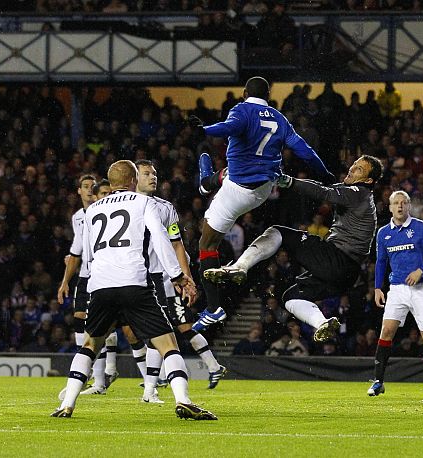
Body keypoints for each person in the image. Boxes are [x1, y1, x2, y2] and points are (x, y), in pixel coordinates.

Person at [51, 160, 216, 420]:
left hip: (101, 285)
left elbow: (90, 254)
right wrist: (177, 275)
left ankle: (66, 405)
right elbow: (162, 239)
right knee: (168, 344)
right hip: (134, 282)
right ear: (132, 180)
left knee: (90, 344)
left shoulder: (91, 211)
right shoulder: (143, 203)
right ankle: (183, 400)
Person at [189, 76, 335, 331]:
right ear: (268, 94)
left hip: (239, 190)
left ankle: (213, 308)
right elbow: (304, 150)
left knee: (206, 243)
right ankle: (208, 182)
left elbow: (226, 129)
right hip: (266, 188)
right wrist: (326, 175)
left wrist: (203, 129)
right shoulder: (279, 118)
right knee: (229, 171)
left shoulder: (242, 110)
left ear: (245, 92)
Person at [202, 155, 382, 344]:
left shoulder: (358, 193)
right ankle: (323, 323)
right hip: (347, 276)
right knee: (290, 297)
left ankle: (241, 266)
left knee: (277, 231)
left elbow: (324, 193)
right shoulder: (358, 195)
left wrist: (287, 181)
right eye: (354, 165)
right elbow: (323, 188)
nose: (352, 169)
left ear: (369, 180)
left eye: (359, 169)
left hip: (337, 260)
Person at [134, 160, 226, 395]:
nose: (153, 177)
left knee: (169, 328)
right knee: (169, 328)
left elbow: (177, 246)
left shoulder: (166, 208)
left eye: (154, 173)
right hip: (133, 277)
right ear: (134, 178)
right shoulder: (125, 205)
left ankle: (153, 385)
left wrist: (185, 278)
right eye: (146, 173)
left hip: (162, 278)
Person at [367, 190, 423, 396]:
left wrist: (421, 270)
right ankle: (378, 381)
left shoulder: (421, 228)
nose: (399, 206)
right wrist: (378, 287)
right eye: (396, 203)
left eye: (403, 203)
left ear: (409, 206)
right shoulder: (383, 233)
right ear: (390, 207)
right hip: (396, 288)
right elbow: (381, 262)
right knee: (386, 331)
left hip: (422, 288)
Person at [55, 175, 119, 395]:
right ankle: (95, 375)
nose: (91, 190)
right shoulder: (78, 217)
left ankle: (102, 372)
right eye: (86, 186)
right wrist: (67, 275)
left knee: (105, 327)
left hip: (102, 275)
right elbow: (79, 247)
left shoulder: (106, 213)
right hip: (84, 276)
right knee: (81, 323)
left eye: (94, 187)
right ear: (79, 191)